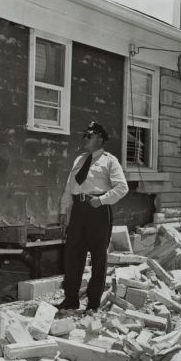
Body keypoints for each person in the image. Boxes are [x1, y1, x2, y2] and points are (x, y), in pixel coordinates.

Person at [55, 121, 129, 312]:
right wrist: (64, 211)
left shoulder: (109, 161)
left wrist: (103, 199)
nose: (84, 139)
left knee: (98, 258)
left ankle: (93, 303)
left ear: (99, 139)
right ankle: (71, 299)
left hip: (98, 211)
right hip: (79, 210)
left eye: (89, 136)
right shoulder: (79, 160)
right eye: (84, 136)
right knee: (72, 255)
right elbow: (69, 187)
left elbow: (122, 187)